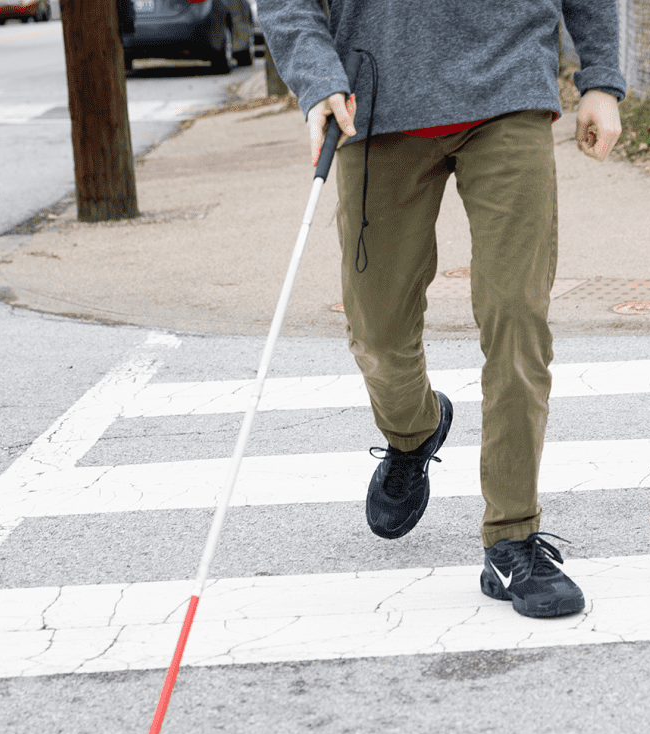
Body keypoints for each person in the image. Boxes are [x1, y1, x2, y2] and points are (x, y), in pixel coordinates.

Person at [257, 1, 624, 618]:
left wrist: (601, 80)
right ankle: (414, 430)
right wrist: (317, 78)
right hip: (373, 101)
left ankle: (512, 539)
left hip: (508, 87)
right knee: (376, 327)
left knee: (517, 316)